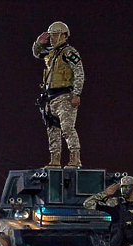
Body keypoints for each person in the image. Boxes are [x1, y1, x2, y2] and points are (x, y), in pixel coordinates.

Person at [33, 21, 84, 169]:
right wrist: (38, 43)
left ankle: (75, 158)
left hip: (64, 96)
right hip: (50, 97)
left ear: (64, 35)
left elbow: (79, 72)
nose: (52, 39)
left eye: (55, 35)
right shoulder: (51, 52)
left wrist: (77, 94)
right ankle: (54, 159)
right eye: (52, 36)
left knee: (67, 128)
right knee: (52, 129)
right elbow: (37, 53)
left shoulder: (69, 52)